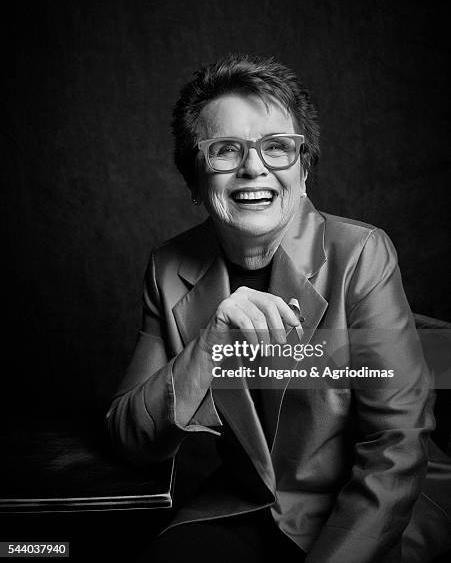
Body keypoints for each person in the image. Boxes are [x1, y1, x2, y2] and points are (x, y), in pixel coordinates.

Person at [106, 55, 451, 562]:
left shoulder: (361, 252)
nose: (253, 166)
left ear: (304, 168)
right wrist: (206, 347)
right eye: (225, 150)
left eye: (277, 147)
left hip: (376, 503)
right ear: (194, 182)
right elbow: (129, 435)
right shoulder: (168, 268)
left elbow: (397, 443)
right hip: (251, 504)